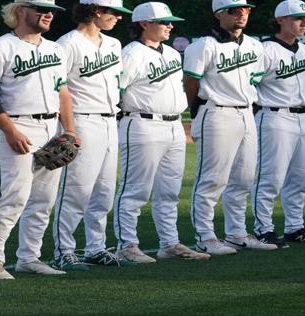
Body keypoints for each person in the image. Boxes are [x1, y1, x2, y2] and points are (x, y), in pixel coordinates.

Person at [0, 0, 77, 279]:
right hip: (16, 124)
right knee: (13, 196)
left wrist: (69, 130)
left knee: (44, 199)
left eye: (52, 11)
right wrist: (9, 130)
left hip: (50, 127)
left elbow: (63, 93)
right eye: (41, 9)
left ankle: (29, 257)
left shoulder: (55, 49)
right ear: (20, 10)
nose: (49, 15)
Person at [110, 2, 207, 263]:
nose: (170, 26)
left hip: (174, 125)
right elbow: (114, 91)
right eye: (164, 22)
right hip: (142, 123)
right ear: (144, 24)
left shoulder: (173, 54)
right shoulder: (131, 53)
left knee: (169, 191)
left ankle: (170, 243)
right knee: (135, 190)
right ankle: (127, 245)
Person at [182, 0, 277, 255]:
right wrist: (198, 110)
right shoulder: (203, 45)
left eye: (246, 10)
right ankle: (205, 236)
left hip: (247, 113)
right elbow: (190, 81)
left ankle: (237, 233)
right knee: (212, 179)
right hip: (216, 112)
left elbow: (254, 81)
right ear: (219, 14)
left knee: (243, 179)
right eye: (235, 10)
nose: (242, 14)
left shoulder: (255, 46)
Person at [49, 2, 128, 271]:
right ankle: (64, 250)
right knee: (76, 190)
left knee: (104, 192)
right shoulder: (67, 43)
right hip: (83, 120)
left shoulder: (114, 44)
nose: (118, 17)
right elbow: (58, 88)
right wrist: (68, 128)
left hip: (110, 121)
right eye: (113, 12)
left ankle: (96, 247)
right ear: (95, 11)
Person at [253, 0, 305, 246]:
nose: (304, 23)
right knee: (270, 178)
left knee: (300, 178)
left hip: (304, 117)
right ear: (280, 20)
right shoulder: (265, 50)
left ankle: (295, 227)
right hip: (274, 116)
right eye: (297, 18)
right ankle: (263, 228)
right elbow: (250, 86)